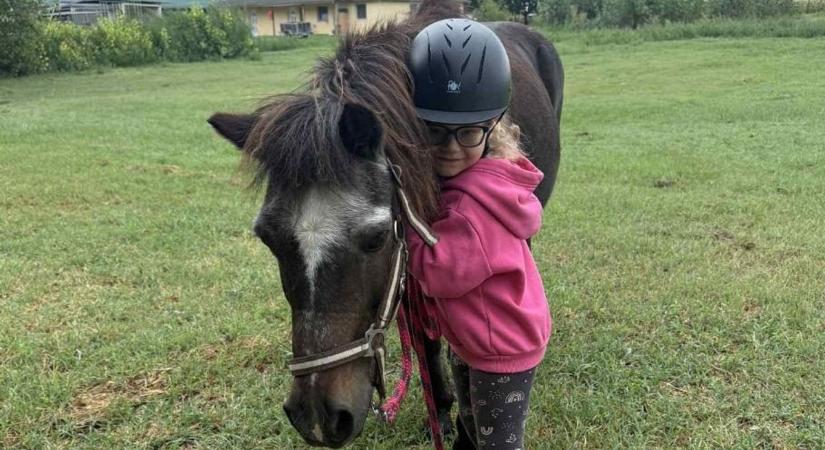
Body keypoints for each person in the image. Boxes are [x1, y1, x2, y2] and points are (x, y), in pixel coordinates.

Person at [406, 18, 552, 450]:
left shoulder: (476, 208)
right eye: (435, 132)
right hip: (478, 338)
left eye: (467, 133)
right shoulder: (482, 181)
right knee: (473, 422)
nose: (450, 147)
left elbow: (439, 272)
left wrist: (407, 234)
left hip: (501, 353)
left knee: (499, 443)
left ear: (492, 128)